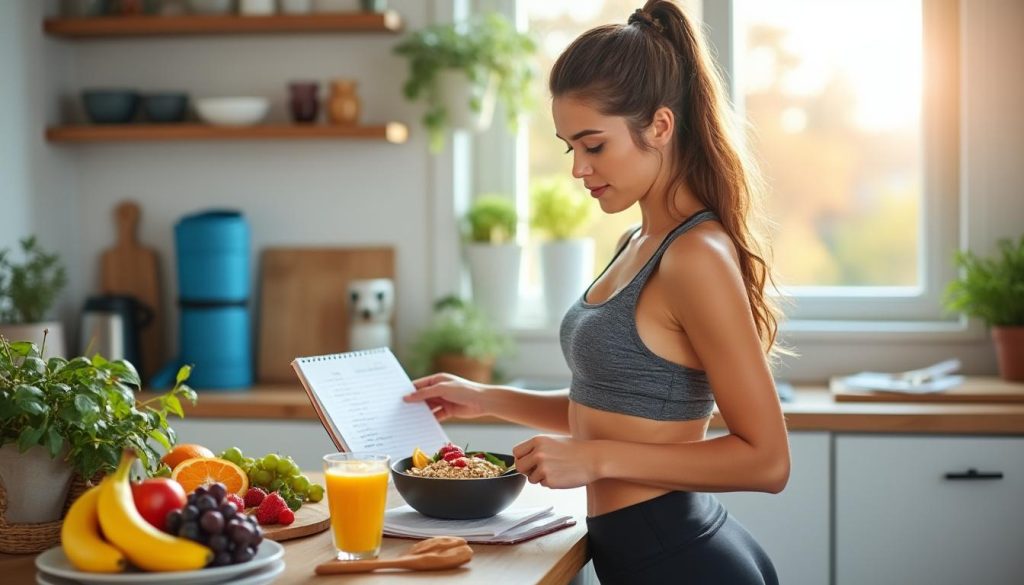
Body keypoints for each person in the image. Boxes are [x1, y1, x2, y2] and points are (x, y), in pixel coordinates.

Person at [405, 1, 790, 583]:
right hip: (641, 550)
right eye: (570, 148)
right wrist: (487, 398)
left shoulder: (695, 256)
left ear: (660, 127)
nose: (578, 169)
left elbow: (767, 461)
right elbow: (614, 409)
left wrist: (593, 459)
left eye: (594, 145)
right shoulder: (637, 241)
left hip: (681, 559)